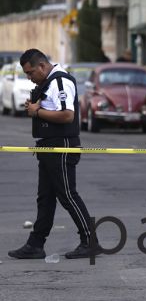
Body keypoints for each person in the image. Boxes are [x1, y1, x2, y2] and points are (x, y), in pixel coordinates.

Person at [8, 49, 101, 260]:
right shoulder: (48, 83)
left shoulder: (61, 81)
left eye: (30, 73)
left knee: (67, 195)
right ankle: (35, 244)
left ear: (41, 66)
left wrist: (36, 112)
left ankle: (90, 241)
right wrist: (35, 108)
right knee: (46, 198)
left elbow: (68, 115)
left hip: (61, 146)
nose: (29, 77)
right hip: (48, 147)